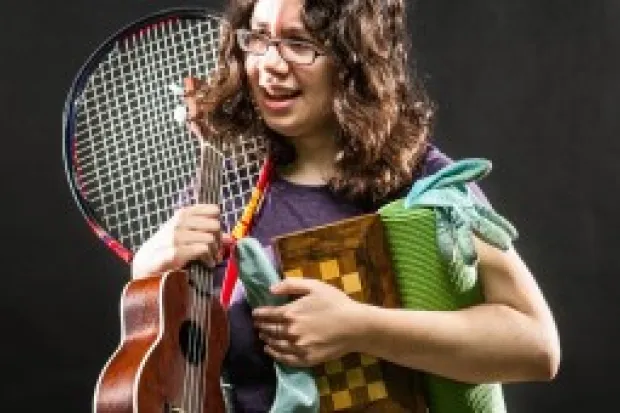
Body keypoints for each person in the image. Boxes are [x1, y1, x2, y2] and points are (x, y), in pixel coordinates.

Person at [130, 0, 561, 411]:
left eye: (300, 43)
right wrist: (148, 275)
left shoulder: (421, 182)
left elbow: (535, 345)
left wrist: (359, 328)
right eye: (259, 38)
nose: (271, 65)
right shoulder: (224, 188)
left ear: (353, 57)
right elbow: (182, 376)